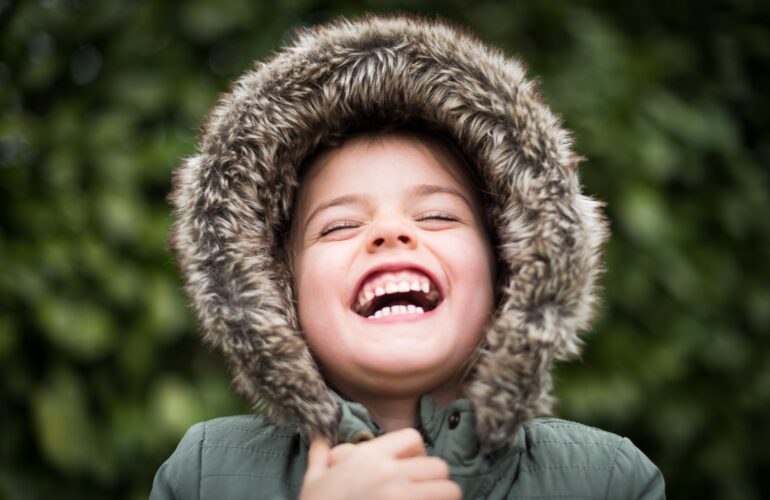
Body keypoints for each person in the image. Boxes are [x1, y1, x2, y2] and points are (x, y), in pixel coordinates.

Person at [150, 13, 665, 500]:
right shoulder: (202, 471)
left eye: (438, 216)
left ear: (509, 271)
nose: (390, 232)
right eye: (340, 225)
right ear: (277, 290)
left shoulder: (609, 478)